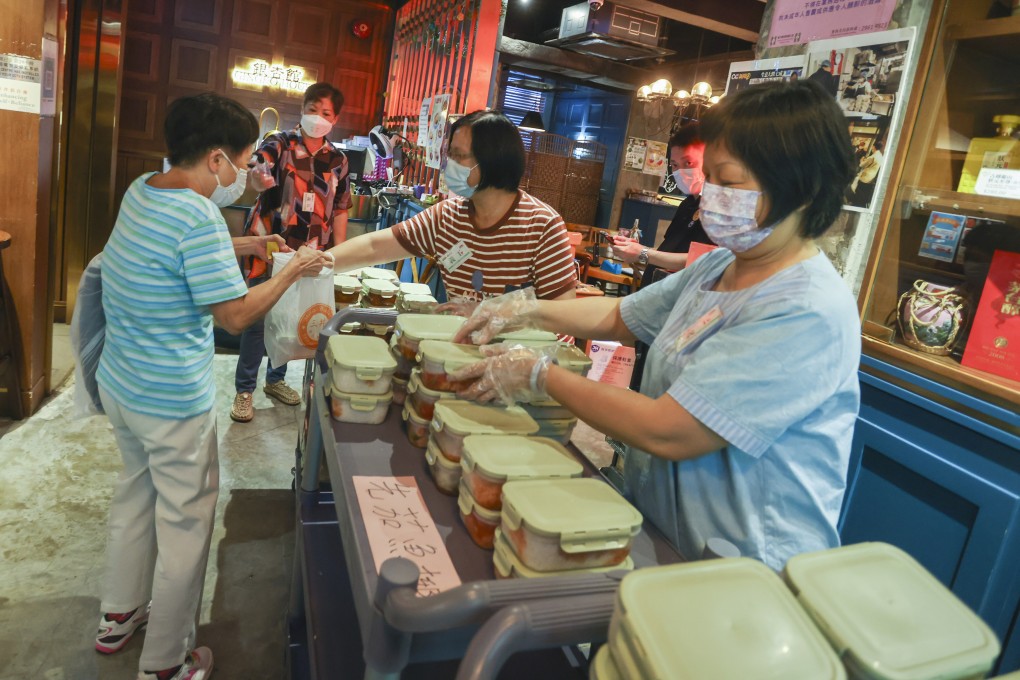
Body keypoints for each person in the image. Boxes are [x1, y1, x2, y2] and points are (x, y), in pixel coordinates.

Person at [446, 80, 861, 571]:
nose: (710, 195)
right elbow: (620, 316)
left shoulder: (805, 309)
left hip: (744, 567)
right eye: (710, 178)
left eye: (729, 181)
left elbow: (669, 430)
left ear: (802, 186)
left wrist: (540, 374)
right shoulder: (720, 265)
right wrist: (521, 309)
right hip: (666, 534)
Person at [94, 93, 330, 680]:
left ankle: (118, 614)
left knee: (135, 499)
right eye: (248, 162)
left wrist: (247, 245)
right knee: (186, 526)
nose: (251, 176)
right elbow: (234, 315)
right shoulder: (199, 216)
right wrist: (295, 270)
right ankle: (167, 663)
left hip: (123, 385)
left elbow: (174, 259)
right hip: (172, 400)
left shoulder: (144, 187)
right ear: (219, 158)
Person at [326, 110, 576, 303]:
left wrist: (503, 317)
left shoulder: (542, 225)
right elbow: (374, 247)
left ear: (493, 161)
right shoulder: (448, 216)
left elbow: (564, 314)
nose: (449, 164)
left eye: (458, 155)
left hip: (526, 363)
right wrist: (319, 264)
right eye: (450, 154)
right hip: (463, 355)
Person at [231, 81, 351, 423]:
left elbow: (341, 206)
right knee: (257, 317)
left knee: (290, 319)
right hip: (268, 244)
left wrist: (339, 253)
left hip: (309, 251)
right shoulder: (280, 142)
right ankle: (244, 391)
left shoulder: (338, 159)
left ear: (335, 118)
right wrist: (258, 177)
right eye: (312, 109)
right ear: (302, 110)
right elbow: (257, 167)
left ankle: (276, 380)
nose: (317, 117)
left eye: (325, 113)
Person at [610, 123, 712, 389]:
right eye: (675, 165)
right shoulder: (689, 203)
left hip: (683, 312)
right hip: (659, 301)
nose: (681, 172)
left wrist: (643, 253)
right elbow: (668, 252)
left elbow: (700, 260)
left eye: (688, 162)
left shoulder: (719, 210)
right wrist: (640, 254)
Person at [853, 140, 884, 208]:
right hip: (871, 179)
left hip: (865, 178)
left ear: (874, 147)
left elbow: (862, 165)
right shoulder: (880, 156)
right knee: (864, 195)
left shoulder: (873, 157)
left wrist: (862, 160)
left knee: (859, 192)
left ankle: (855, 205)